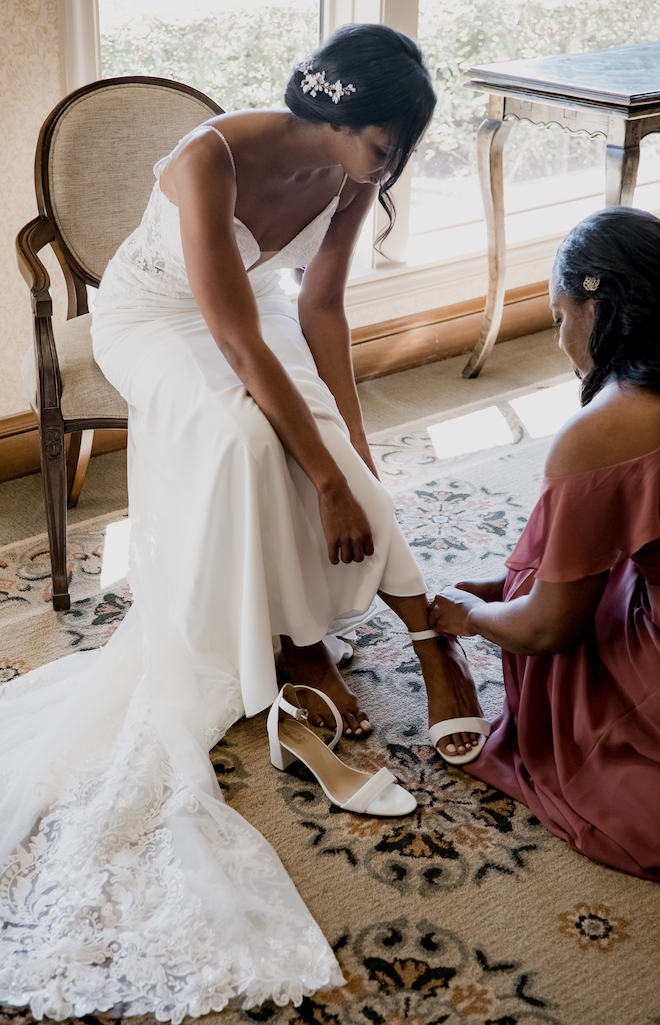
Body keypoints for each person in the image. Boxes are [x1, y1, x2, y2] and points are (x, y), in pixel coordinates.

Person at [0, 23, 477, 1021]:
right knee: (244, 438)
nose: (386, 168)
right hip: (157, 320)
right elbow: (226, 339)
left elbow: (324, 313)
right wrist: (326, 476)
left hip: (251, 316)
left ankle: (426, 629)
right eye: (381, 146)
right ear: (333, 111)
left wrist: (352, 445)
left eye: (396, 151)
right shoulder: (204, 159)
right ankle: (293, 647)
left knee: (335, 449)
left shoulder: (352, 176)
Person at [427, 206, 660, 881]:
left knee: (546, 578)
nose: (560, 342)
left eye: (559, 319)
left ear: (598, 305)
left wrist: (470, 618)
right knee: (570, 552)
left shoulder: (606, 429)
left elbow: (549, 629)